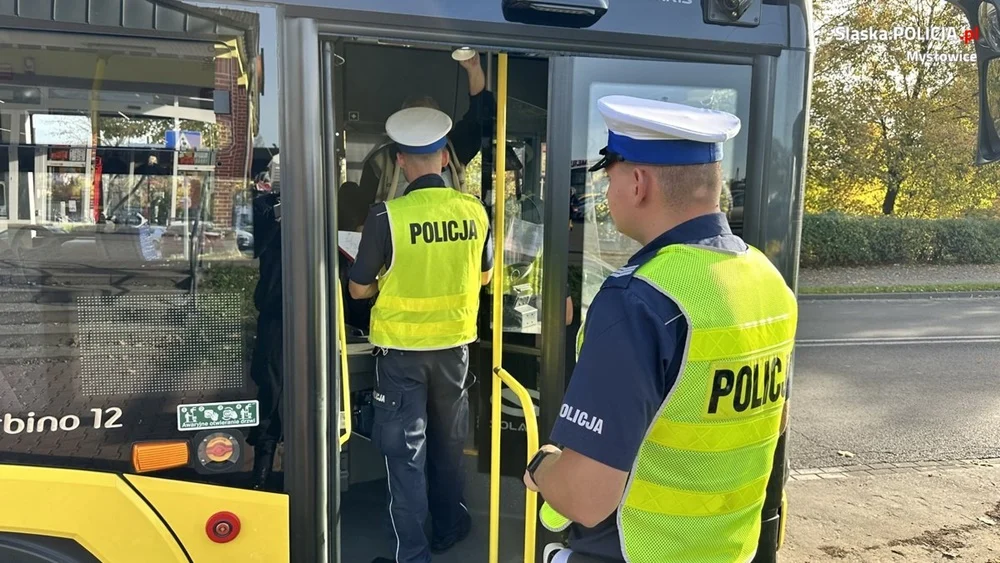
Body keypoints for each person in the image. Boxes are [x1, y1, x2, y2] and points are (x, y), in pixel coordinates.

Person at [522, 95, 799, 563]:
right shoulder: (767, 281)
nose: (605, 193)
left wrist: (542, 466)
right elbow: (772, 421)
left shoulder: (639, 300)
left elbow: (587, 498)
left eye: (609, 177)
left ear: (638, 183)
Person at [349, 106, 494, 563]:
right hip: (455, 352)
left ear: (400, 161)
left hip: (402, 357)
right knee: (449, 445)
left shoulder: (385, 217)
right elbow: (485, 277)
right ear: (445, 158)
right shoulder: (475, 212)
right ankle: (449, 528)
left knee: (405, 455)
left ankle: (412, 554)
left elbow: (358, 289)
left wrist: (386, 280)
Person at [357, 51, 495, 205]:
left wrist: (474, 69)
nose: (421, 128)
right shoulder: (379, 163)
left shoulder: (455, 150)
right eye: (414, 120)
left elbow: (479, 117)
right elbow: (363, 212)